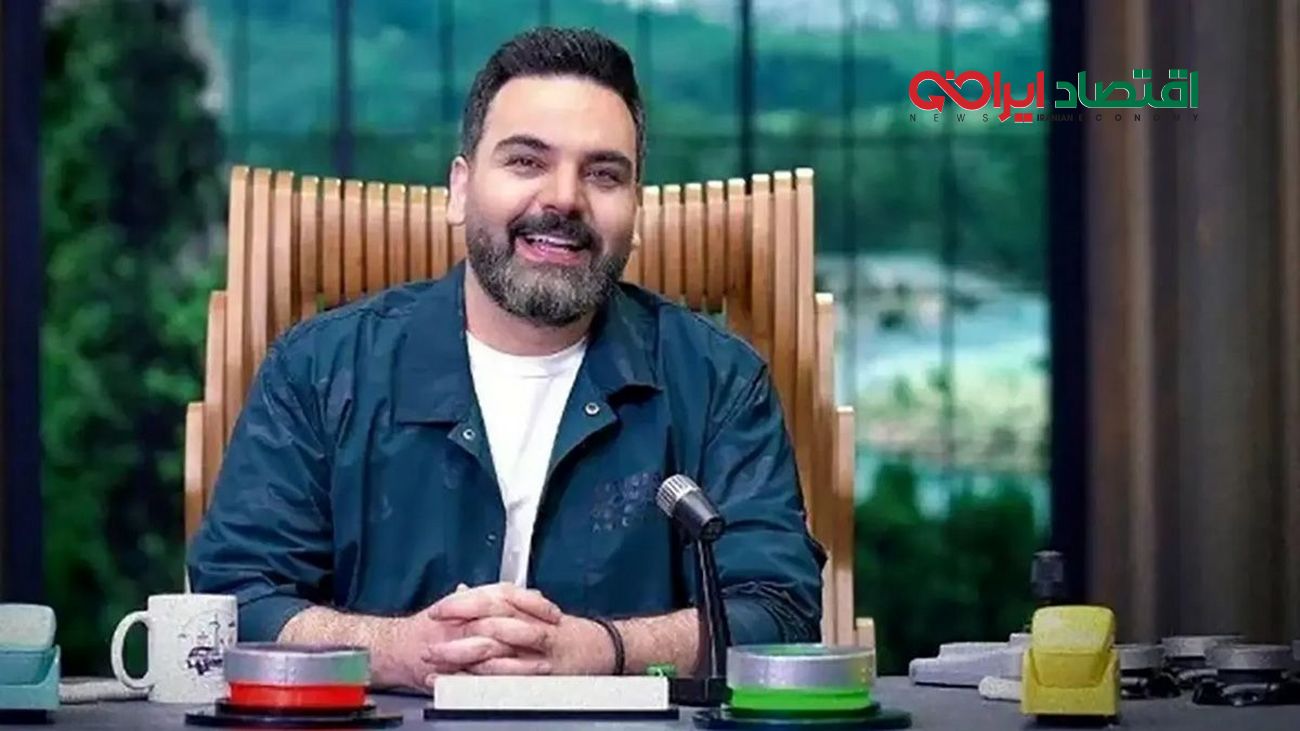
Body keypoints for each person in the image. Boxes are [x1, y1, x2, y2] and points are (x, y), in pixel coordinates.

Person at [187, 26, 825, 692]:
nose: (564, 198)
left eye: (604, 174)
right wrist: (396, 651)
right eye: (526, 161)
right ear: (460, 189)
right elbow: (233, 603)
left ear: (635, 207)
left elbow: (780, 615)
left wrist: (602, 649)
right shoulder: (318, 372)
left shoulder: (719, 382)